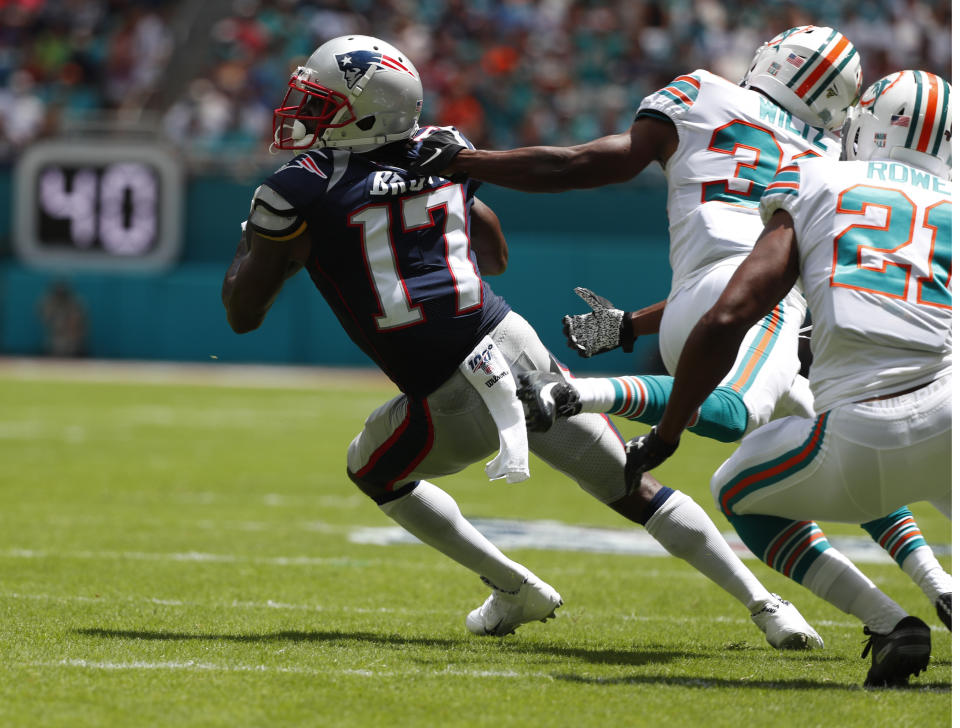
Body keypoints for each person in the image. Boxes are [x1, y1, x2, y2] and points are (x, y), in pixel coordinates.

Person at [221, 34, 822, 647]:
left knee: (371, 470)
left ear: (364, 112)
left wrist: (259, 241)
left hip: (448, 389)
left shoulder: (298, 187)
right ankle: (770, 607)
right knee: (630, 487)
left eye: (321, 103)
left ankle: (514, 587)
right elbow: (496, 255)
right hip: (514, 343)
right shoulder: (443, 153)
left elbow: (243, 313)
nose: (306, 113)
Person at [405, 26, 951, 641]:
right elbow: (754, 284)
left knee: (818, 441)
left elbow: (581, 164)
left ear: (777, 59)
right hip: (767, 309)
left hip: (712, 302)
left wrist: (466, 161)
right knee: (751, 419)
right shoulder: (836, 162)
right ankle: (580, 394)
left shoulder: (704, 93)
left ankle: (916, 603)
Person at [624, 70, 952, 688]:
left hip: (862, 433)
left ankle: (889, 622)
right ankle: (942, 588)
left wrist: (668, 433)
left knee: (737, 488)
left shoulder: (817, 175)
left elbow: (733, 312)